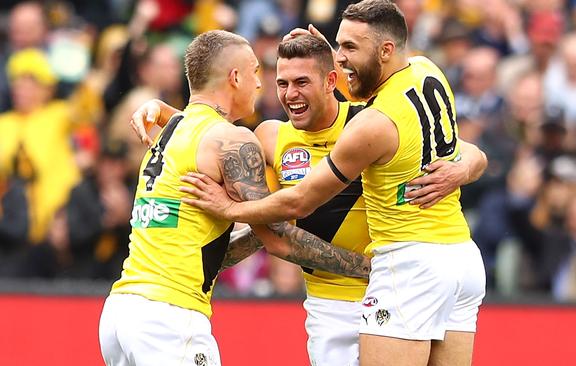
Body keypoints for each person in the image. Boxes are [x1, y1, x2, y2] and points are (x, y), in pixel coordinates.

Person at [131, 32, 487, 365]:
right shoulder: (270, 137)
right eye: (282, 84)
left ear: (331, 82)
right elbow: (262, 219)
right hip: (328, 305)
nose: (290, 94)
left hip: (391, 287)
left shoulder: (366, 123)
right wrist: (166, 113)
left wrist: (462, 169)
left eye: (302, 82)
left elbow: (465, 150)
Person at [98, 30, 373, 366]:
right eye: (256, 72)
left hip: (121, 310)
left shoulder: (171, 130)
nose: (260, 84)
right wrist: (366, 267)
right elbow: (278, 239)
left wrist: (253, 214)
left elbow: (241, 238)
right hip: (169, 316)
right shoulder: (233, 140)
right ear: (235, 76)